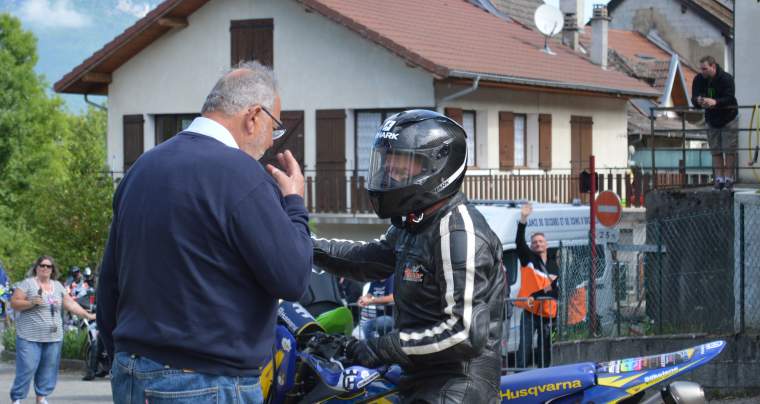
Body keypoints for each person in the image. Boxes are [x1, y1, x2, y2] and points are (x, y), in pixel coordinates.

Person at [96, 61, 313, 404]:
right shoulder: (241, 174)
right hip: (206, 379)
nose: (272, 142)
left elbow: (109, 281)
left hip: (134, 371)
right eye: (275, 127)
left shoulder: (143, 167)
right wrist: (295, 204)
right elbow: (292, 278)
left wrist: (124, 354)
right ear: (253, 116)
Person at [313, 110, 505, 403]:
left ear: (437, 165)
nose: (390, 168)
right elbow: (367, 260)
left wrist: (381, 348)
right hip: (418, 376)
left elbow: (465, 333)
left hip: (458, 383)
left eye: (402, 160)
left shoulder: (456, 231)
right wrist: (304, 247)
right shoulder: (413, 223)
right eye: (387, 159)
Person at [9, 256, 96, 404]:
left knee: (48, 369)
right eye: (42, 265)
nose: (45, 268)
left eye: (48, 266)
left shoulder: (58, 286)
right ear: (36, 267)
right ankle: (17, 398)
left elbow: (71, 305)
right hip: (29, 337)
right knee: (27, 368)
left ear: (52, 270)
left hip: (53, 337)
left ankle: (41, 397)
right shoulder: (27, 284)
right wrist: (30, 303)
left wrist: (88, 315)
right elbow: (14, 303)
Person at [515, 203, 558, 368]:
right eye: (534, 242)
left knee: (544, 349)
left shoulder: (554, 265)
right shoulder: (529, 259)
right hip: (530, 312)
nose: (538, 244)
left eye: (541, 241)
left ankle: (542, 378)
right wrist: (523, 219)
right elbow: (519, 241)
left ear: (546, 244)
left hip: (548, 314)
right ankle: (519, 378)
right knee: (524, 350)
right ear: (532, 246)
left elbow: (556, 289)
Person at [691, 55, 738, 190]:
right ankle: (719, 179)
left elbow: (729, 98)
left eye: (705, 69)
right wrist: (698, 101)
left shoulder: (726, 78)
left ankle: (728, 178)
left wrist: (715, 102)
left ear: (713, 66)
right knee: (715, 150)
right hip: (711, 119)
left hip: (729, 118)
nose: (702, 72)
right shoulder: (699, 79)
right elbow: (694, 97)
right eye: (701, 69)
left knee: (729, 149)